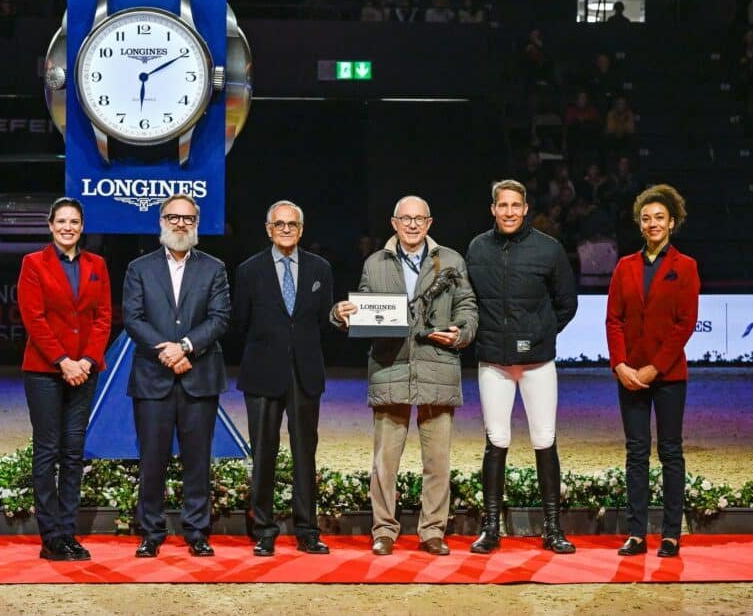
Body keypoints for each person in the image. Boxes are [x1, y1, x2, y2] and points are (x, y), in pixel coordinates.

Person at [332, 195, 477, 556]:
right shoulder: (375, 263)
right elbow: (362, 306)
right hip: (390, 367)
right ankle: (383, 530)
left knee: (438, 461)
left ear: (429, 223)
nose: (412, 225)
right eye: (405, 219)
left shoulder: (452, 260)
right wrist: (342, 314)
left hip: (437, 367)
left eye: (419, 219)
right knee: (384, 461)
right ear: (394, 223)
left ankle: (432, 532)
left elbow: (468, 307)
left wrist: (461, 333)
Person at [465, 179, 578, 555]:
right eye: (503, 206)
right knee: (496, 440)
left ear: (526, 208)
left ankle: (552, 527)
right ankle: (491, 528)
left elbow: (567, 303)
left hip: (538, 363)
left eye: (516, 205)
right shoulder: (477, 248)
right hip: (493, 362)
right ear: (493, 209)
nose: (509, 212)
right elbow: (470, 301)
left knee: (544, 439)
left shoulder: (549, 249)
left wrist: (540, 335)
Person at [123, 194, 230, 558]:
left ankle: (197, 532)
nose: (180, 224)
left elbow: (219, 318)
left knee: (197, 460)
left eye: (187, 218)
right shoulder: (139, 268)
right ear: (161, 222)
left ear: (197, 223)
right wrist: (167, 352)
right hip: (153, 378)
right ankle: (151, 532)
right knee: (152, 458)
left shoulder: (214, 268)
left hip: (199, 378)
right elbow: (133, 319)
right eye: (173, 217)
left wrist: (184, 346)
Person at [233, 201, 334, 556]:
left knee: (305, 453)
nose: (287, 229)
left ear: (302, 230)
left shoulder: (320, 268)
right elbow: (239, 323)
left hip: (305, 374)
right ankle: (264, 528)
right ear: (268, 229)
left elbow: (325, 323)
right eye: (280, 224)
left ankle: (307, 529)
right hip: (262, 373)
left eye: (293, 224)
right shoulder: (249, 270)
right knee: (264, 454)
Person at [605, 184, 700, 558]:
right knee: (636, 453)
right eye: (646, 218)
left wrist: (653, 369)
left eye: (659, 217)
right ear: (639, 225)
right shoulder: (625, 266)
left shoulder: (686, 267)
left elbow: (685, 324)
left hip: (668, 377)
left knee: (671, 452)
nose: (652, 223)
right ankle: (636, 533)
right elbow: (613, 319)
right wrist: (620, 365)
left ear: (672, 222)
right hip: (629, 375)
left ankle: (672, 534)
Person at [17, 197, 111, 561]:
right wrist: (63, 361)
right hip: (45, 372)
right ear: (51, 225)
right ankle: (51, 536)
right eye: (61, 221)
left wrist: (86, 360)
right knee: (47, 451)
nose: (68, 227)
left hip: (85, 371)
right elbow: (34, 318)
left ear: (82, 226)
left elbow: (103, 317)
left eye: (74, 221)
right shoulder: (33, 264)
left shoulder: (96, 265)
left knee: (73, 453)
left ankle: (68, 532)